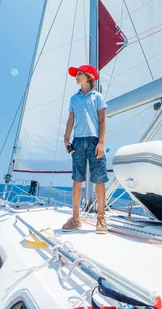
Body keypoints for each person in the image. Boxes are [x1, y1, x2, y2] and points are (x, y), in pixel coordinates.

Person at [62, 64, 109, 234]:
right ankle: (75, 219)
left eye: (79, 74)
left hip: (94, 141)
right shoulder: (74, 99)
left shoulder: (97, 97)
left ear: (89, 76)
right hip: (78, 142)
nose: (76, 77)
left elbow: (102, 121)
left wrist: (101, 142)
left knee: (99, 180)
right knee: (77, 180)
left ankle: (101, 220)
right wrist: (66, 140)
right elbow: (70, 120)